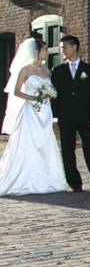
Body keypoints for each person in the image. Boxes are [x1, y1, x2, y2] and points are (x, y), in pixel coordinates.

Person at [0, 37, 69, 196]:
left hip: (45, 112)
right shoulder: (25, 70)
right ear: (36, 52)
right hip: (29, 112)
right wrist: (34, 99)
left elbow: (52, 91)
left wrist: (48, 97)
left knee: (45, 144)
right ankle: (25, 179)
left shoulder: (48, 71)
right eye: (45, 49)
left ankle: (48, 179)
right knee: (28, 144)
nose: (47, 52)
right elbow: (16, 91)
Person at [51, 35, 90, 192]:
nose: (62, 51)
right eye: (61, 48)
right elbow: (55, 97)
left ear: (74, 47)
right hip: (65, 118)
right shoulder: (57, 71)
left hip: (86, 117)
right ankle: (75, 183)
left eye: (64, 47)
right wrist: (55, 117)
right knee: (67, 151)